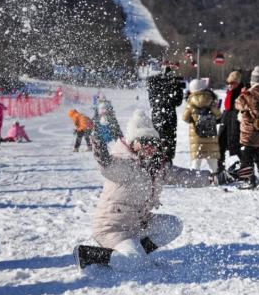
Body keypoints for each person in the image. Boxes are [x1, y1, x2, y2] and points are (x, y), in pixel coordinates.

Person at [73, 110, 227, 271]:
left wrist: (217, 178)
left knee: (173, 225)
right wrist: (98, 143)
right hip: (113, 228)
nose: (150, 147)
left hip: (137, 224)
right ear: (132, 144)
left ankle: (134, 251)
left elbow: (184, 176)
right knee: (136, 263)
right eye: (144, 142)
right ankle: (87, 254)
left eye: (153, 143)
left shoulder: (156, 167)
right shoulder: (126, 165)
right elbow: (107, 166)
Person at [235, 66, 259, 190]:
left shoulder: (247, 94)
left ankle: (249, 180)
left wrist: (243, 93)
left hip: (248, 132)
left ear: (252, 80)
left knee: (247, 159)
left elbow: (237, 104)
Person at [147, 66, 185, 163]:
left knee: (158, 145)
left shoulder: (153, 83)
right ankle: (167, 166)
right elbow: (177, 102)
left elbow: (153, 101)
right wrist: (177, 88)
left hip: (157, 117)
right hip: (169, 118)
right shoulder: (170, 85)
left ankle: (157, 166)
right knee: (168, 148)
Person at [182, 79, 221, 171]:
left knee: (196, 163)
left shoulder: (191, 102)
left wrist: (194, 118)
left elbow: (185, 118)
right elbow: (218, 115)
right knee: (213, 162)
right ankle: (216, 178)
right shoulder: (211, 99)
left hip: (197, 136)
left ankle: (195, 181)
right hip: (210, 135)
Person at [218, 71, 243, 172]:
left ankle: (246, 167)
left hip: (235, 122)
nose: (230, 85)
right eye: (228, 83)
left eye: (232, 83)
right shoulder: (230, 92)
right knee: (220, 144)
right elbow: (227, 108)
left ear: (237, 83)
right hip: (226, 120)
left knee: (236, 146)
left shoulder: (241, 93)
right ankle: (220, 167)